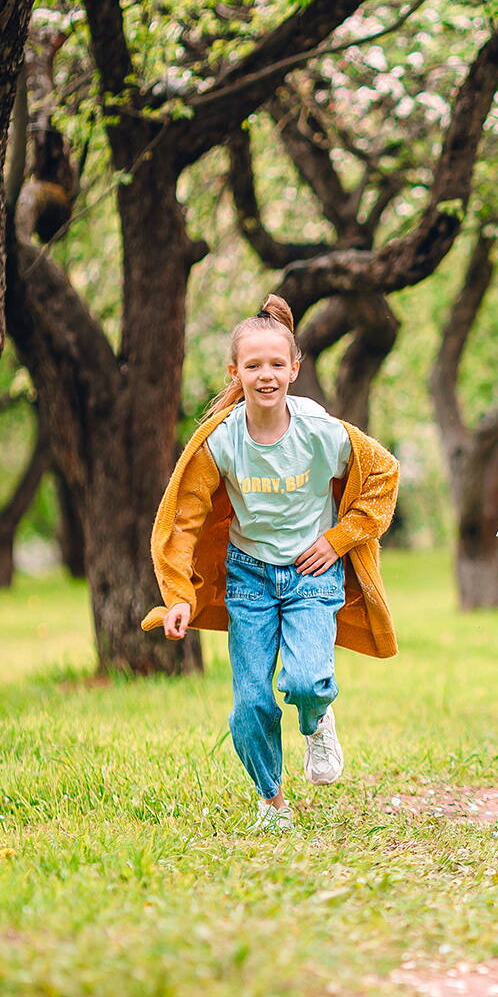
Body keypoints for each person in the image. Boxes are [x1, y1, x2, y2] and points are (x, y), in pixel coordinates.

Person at [141, 296, 399, 832]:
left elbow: (383, 474)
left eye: (277, 364)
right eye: (253, 365)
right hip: (249, 578)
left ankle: (316, 718)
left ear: (295, 369)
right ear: (235, 372)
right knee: (251, 701)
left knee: (306, 681)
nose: (266, 375)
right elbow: (182, 519)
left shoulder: (320, 430)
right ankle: (271, 800)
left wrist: (340, 538)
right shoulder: (222, 440)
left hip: (312, 575)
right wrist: (179, 597)